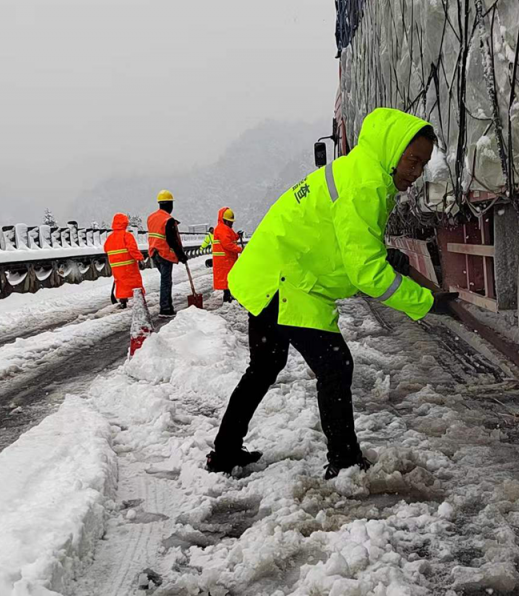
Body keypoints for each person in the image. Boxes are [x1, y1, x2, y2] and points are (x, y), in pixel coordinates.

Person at [206, 107, 455, 478]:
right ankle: (344, 461)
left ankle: (224, 452)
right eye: (412, 161)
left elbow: (339, 235)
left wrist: (386, 255)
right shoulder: (366, 184)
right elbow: (366, 274)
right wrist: (425, 303)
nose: (416, 172)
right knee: (335, 366)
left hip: (269, 273)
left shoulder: (360, 170)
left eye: (423, 164)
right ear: (391, 150)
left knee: (264, 367)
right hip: (287, 281)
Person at [147, 190, 187, 317]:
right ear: (170, 205)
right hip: (164, 254)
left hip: (154, 253)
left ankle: (168, 305)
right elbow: (172, 240)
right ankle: (165, 308)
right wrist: (181, 255)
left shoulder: (151, 217)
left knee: (166, 280)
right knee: (165, 281)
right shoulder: (168, 220)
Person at [104, 212, 145, 308]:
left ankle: (123, 301)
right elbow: (133, 249)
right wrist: (140, 258)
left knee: (120, 283)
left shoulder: (110, 237)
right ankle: (139, 300)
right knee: (134, 282)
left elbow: (106, 249)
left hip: (116, 266)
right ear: (125, 223)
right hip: (128, 265)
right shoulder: (127, 236)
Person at [212, 207, 243, 304]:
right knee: (226, 280)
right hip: (224, 260)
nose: (231, 224)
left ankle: (229, 296)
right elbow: (228, 244)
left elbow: (231, 238)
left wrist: (237, 235)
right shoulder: (222, 229)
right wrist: (240, 249)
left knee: (228, 279)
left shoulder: (225, 229)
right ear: (224, 220)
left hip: (227, 259)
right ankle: (227, 298)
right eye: (230, 222)